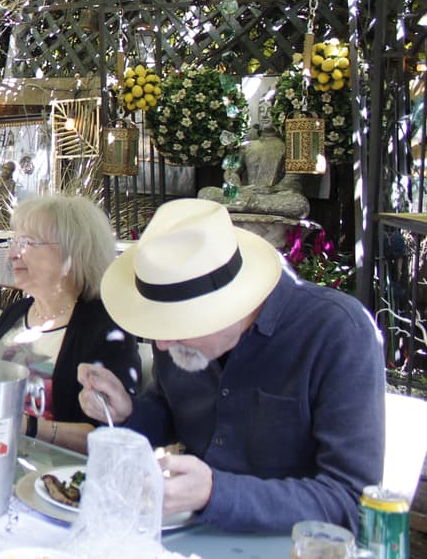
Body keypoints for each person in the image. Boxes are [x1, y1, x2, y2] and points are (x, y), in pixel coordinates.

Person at [78, 198, 384, 534]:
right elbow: (172, 410)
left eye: (175, 323)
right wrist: (126, 412)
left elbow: (351, 501)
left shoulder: (335, 332)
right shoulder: (177, 335)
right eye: (158, 325)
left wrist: (214, 493)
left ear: (234, 304)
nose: (162, 344)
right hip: (183, 537)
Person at [0, 194, 140, 453]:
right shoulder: (16, 312)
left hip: (53, 477)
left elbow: (109, 430)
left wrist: (28, 427)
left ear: (72, 254)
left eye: (27, 243)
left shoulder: (104, 327)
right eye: (14, 241)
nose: (12, 254)